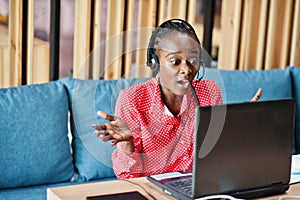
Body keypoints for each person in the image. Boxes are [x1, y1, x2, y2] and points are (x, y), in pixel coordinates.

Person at [92, 19, 262, 179]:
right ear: (154, 62)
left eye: (193, 60)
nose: (187, 69)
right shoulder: (132, 100)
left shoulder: (209, 92)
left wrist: (237, 125)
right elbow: (126, 177)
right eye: (175, 61)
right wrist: (128, 144)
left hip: (198, 187)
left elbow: (217, 154)